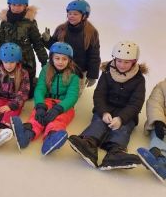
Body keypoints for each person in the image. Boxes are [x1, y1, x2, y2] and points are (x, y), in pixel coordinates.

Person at [68, 41, 146, 170]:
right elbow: (99, 95)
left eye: (126, 62)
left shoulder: (139, 79)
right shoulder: (107, 73)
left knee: (123, 129)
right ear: (114, 58)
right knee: (98, 122)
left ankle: (116, 153)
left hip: (126, 113)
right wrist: (103, 112)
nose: (122, 65)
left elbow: (136, 103)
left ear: (134, 62)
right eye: (119, 61)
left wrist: (121, 118)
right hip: (106, 108)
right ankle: (88, 143)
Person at [11, 42, 80, 155]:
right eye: (57, 58)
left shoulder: (74, 76)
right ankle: (26, 136)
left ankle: (51, 139)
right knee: (36, 117)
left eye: (64, 59)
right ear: (51, 58)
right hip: (47, 101)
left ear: (69, 60)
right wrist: (40, 106)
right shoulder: (45, 70)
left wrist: (58, 109)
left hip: (64, 106)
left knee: (57, 120)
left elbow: (72, 96)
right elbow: (40, 89)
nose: (60, 62)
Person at [0, 0, 48, 97]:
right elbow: (1, 41)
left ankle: (35, 83)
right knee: (8, 90)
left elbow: (37, 43)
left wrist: (44, 61)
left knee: (29, 93)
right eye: (13, 5)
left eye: (19, 5)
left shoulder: (30, 23)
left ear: (25, 6)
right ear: (9, 5)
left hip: (26, 60)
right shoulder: (5, 22)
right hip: (9, 59)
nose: (16, 8)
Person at [43, 0, 100, 92]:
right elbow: (55, 49)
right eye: (69, 13)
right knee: (57, 91)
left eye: (75, 14)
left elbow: (94, 56)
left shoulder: (91, 32)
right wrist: (47, 40)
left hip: (79, 70)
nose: (71, 16)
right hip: (60, 68)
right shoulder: (61, 29)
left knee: (73, 94)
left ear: (84, 16)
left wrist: (92, 75)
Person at [137, 79, 166, 182]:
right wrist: (158, 120)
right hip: (163, 123)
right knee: (158, 135)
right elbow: (155, 103)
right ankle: (158, 157)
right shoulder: (162, 86)